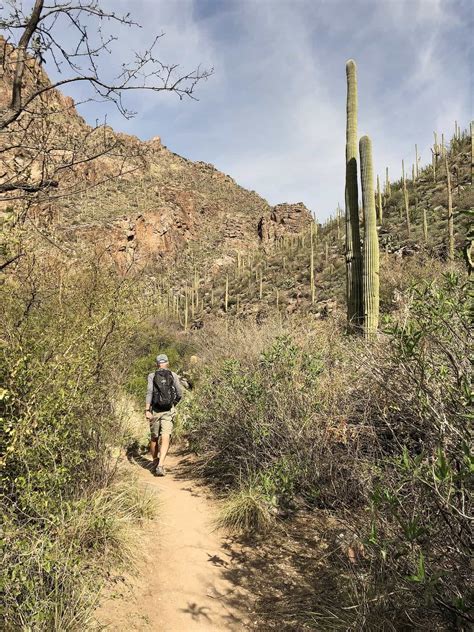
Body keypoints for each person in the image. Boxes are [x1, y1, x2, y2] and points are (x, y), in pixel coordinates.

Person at [145, 354, 183, 476]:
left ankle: (155, 461)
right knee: (166, 436)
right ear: (167, 362)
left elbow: (150, 392)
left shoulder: (151, 376)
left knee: (154, 438)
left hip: (155, 411)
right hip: (168, 410)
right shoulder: (173, 375)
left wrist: (147, 410)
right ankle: (161, 465)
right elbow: (179, 393)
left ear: (157, 364)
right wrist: (173, 404)